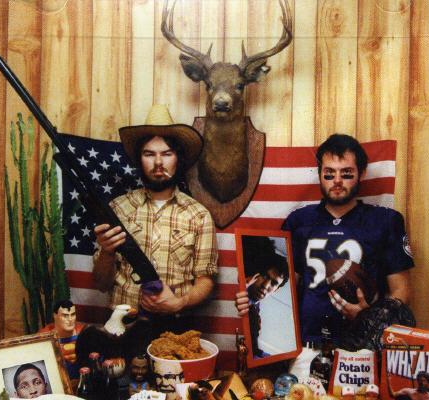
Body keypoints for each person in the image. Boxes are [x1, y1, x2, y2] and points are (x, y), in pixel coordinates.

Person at [236, 134, 414, 345]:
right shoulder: (298, 221)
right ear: (320, 174)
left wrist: (370, 318)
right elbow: (287, 289)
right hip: (308, 344)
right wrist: (249, 300)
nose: (337, 180)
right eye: (329, 173)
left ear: (362, 173)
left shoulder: (385, 221)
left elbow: (401, 291)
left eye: (346, 173)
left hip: (364, 344)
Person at [92, 104, 218, 337]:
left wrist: (179, 303)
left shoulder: (199, 215)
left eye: (167, 154)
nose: (158, 162)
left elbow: (206, 281)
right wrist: (107, 253)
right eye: (149, 154)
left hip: (176, 329)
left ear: (178, 159)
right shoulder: (117, 209)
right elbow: (101, 284)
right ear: (140, 160)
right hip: (121, 327)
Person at [241, 236, 289, 357]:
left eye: (273, 283)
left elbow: (253, 348)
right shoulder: (242, 294)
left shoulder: (255, 306)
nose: (265, 285)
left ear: (275, 291)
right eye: (265, 276)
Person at [39, 300, 84, 379]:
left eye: (72, 315)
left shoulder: (85, 333)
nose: (70, 319)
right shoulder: (43, 339)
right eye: (65, 315)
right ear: (55, 315)